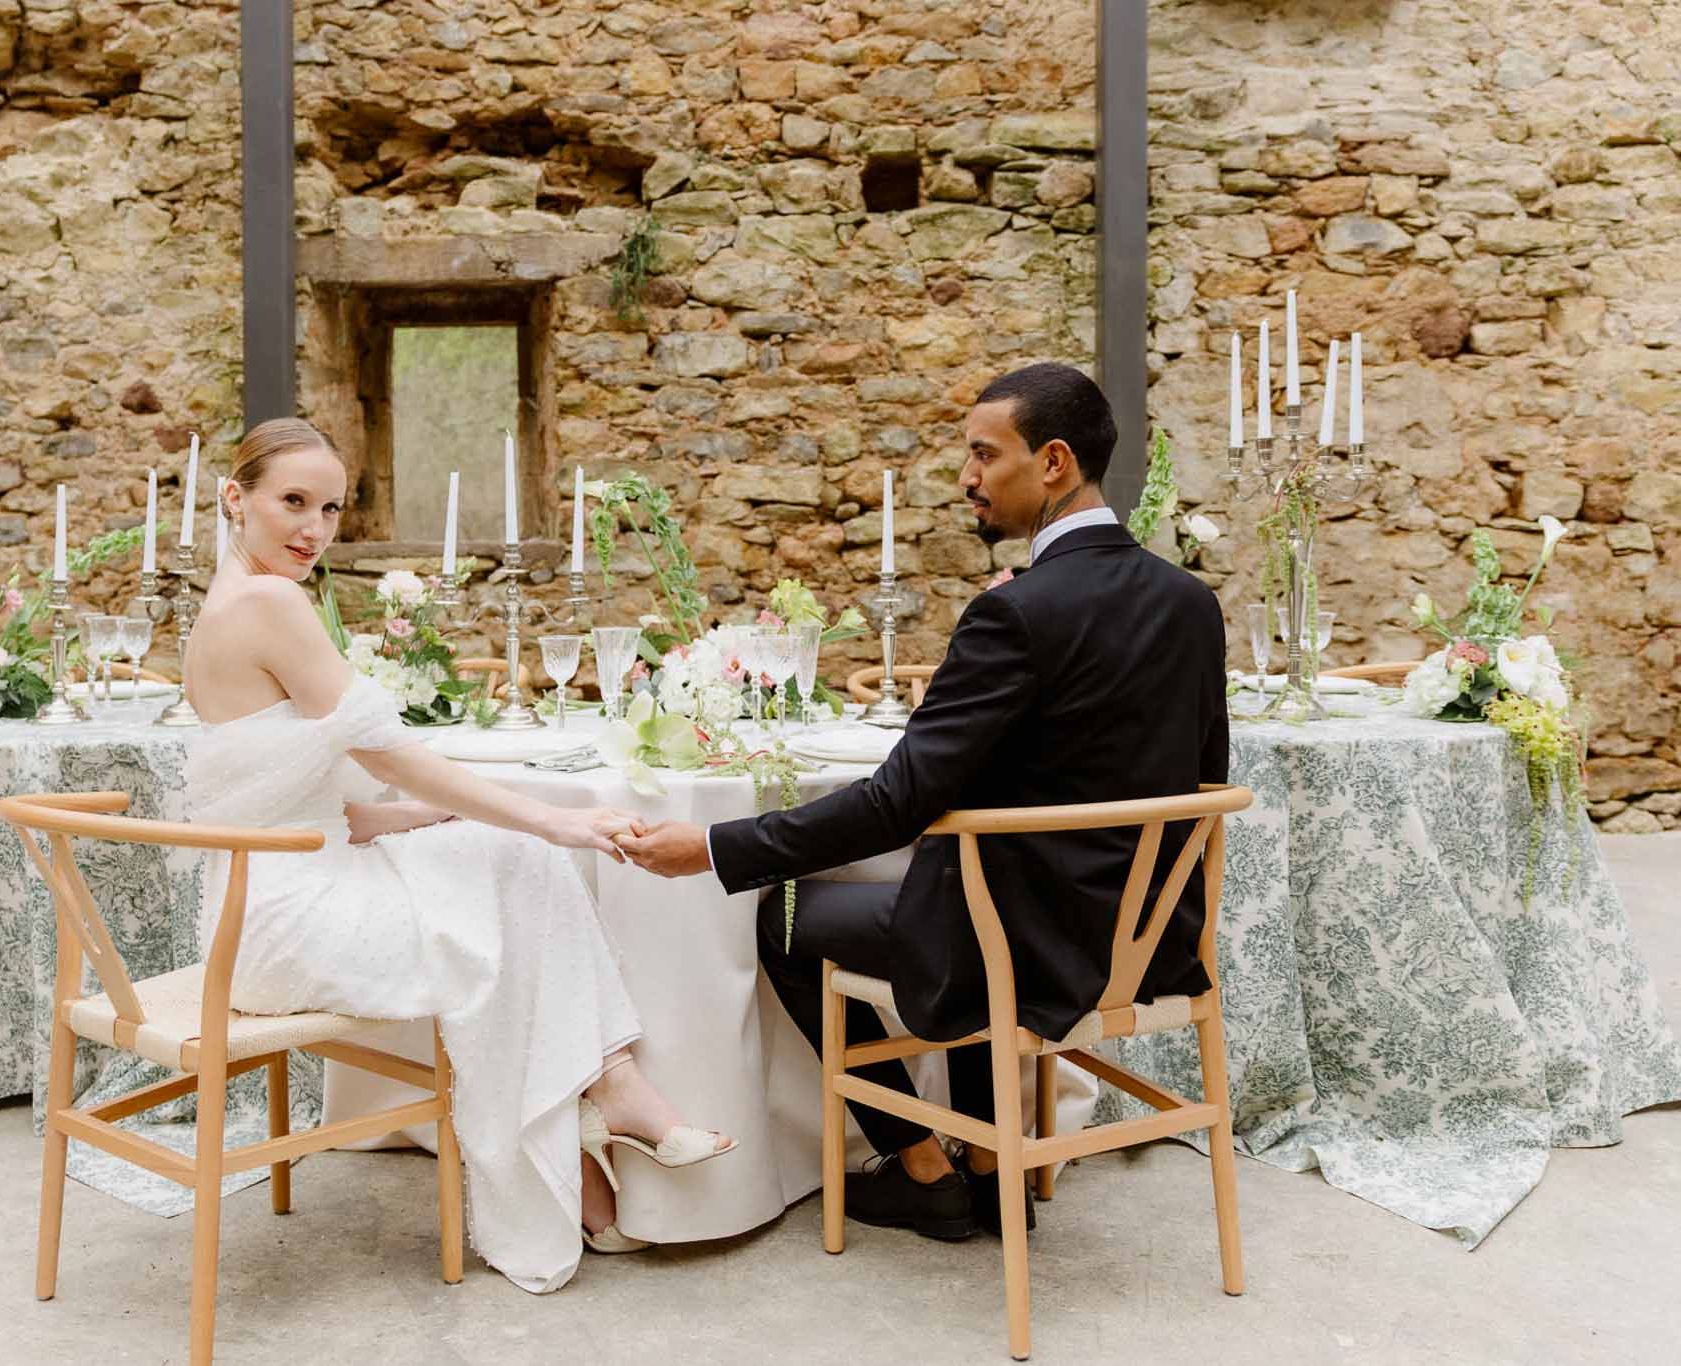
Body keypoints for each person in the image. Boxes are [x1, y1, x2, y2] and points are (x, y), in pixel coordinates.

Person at [619, 363, 1228, 1242]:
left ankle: (922, 1164)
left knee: (782, 917)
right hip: (1145, 942)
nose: (968, 478)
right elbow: (1201, 775)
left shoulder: (1015, 614)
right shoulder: (1190, 601)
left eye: (985, 455)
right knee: (980, 888)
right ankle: (991, 1162)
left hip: (1024, 949)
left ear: (1053, 462)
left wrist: (715, 847)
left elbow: (894, 802)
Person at [181, 417, 733, 1293]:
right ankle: (606, 1103)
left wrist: (426, 822)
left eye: (330, 509)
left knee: (496, 867)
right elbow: (389, 756)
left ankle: (596, 1135)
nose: (313, 529)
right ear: (232, 499)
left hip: (253, 916)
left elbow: (320, 807)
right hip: (284, 924)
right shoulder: (271, 605)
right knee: (517, 875)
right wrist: (542, 821)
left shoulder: (221, 611)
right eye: (292, 502)